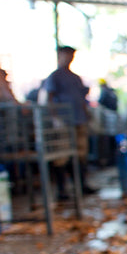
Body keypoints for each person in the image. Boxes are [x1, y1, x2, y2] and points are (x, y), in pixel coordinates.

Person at [39, 45, 95, 199]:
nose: (68, 58)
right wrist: (55, 118)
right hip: (63, 123)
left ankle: (82, 186)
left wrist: (86, 115)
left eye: (71, 55)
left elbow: (82, 99)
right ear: (59, 56)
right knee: (61, 157)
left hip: (79, 121)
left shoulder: (76, 78)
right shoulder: (54, 76)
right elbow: (49, 98)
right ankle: (61, 190)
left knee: (81, 154)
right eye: (65, 55)